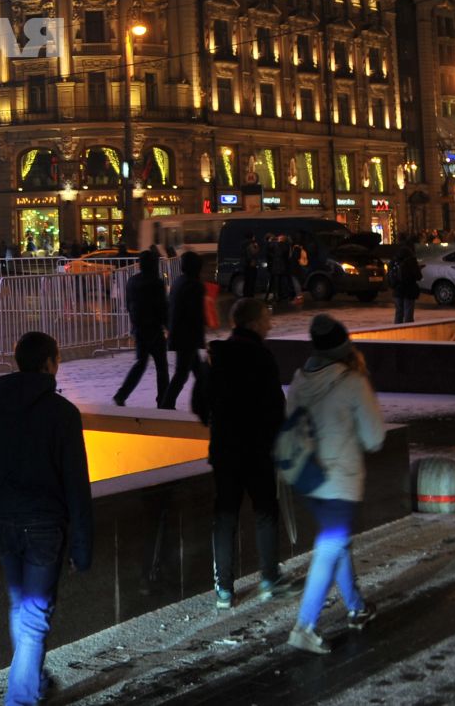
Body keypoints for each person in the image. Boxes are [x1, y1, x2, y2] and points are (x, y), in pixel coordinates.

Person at [0, 331, 93, 706]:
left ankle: (33, 680)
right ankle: (21, 699)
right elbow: (76, 484)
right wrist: (82, 548)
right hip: (43, 526)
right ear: (50, 363)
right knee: (36, 612)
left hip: (2, 521)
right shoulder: (63, 414)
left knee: (20, 604)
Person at [285, 316, 385, 654]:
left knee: (338, 543)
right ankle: (305, 625)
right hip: (340, 481)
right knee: (330, 547)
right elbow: (374, 437)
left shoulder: (299, 380)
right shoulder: (353, 382)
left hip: (309, 479)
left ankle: (356, 607)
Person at [193, 297, 285, 608]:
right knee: (265, 512)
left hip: (225, 449)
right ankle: (270, 577)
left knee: (225, 516)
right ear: (254, 323)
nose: (270, 325)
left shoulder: (215, 357)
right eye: (266, 319)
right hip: (257, 448)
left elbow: (198, 402)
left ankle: (224, 590)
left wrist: (215, 420)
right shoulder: (263, 357)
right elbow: (275, 407)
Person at [113, 247, 170, 408]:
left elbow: (129, 304)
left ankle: (122, 394)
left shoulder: (132, 281)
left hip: (138, 328)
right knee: (161, 366)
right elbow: (162, 307)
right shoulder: (156, 283)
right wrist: (167, 326)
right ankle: (163, 400)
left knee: (140, 363)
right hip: (154, 329)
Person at [158, 251, 208, 410]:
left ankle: (205, 404)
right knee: (182, 374)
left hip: (180, 334)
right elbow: (195, 314)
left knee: (198, 373)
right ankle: (167, 405)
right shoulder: (194, 285)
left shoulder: (179, 282)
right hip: (188, 336)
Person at [390, 244, 422, 324]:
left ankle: (397, 330)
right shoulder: (411, 261)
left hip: (397, 290)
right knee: (408, 313)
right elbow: (418, 276)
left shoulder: (394, 261)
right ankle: (408, 330)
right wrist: (419, 269)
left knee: (399, 313)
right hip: (409, 290)